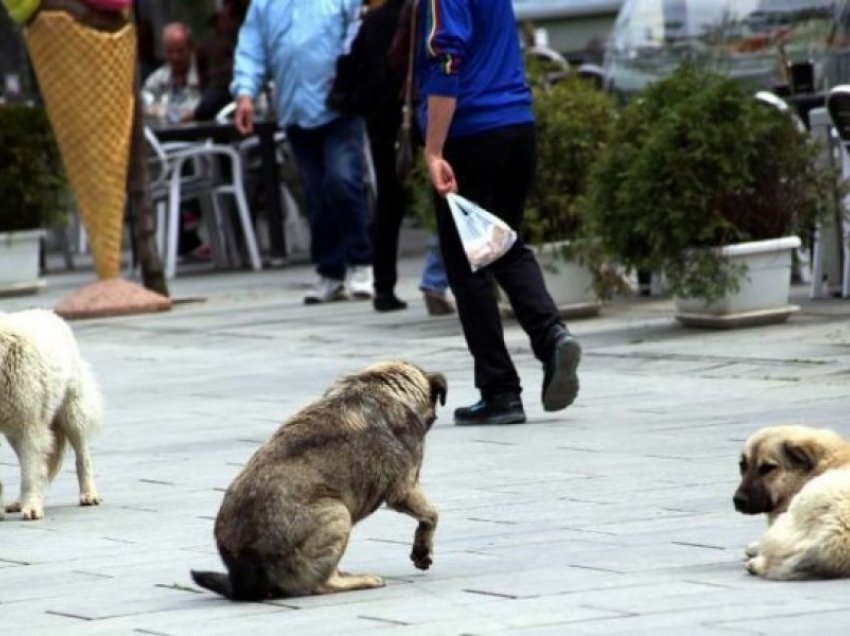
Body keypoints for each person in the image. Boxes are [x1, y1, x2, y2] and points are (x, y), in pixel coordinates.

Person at [416, 0, 582, 425]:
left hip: (470, 130)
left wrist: (434, 149)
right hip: (516, 123)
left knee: (466, 266)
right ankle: (551, 337)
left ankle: (500, 391)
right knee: (504, 244)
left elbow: (448, 57)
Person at [232, 0, 374, 304]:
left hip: (341, 107)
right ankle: (331, 272)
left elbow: (358, 29)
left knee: (343, 181)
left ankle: (361, 264)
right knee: (315, 194)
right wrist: (245, 93)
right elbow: (251, 48)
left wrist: (349, 67)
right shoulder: (265, 4)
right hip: (295, 110)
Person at [142, 22, 202, 125]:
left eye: (180, 51)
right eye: (170, 52)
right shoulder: (157, 79)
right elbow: (143, 106)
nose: (175, 57)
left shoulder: (204, 75)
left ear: (191, 49)